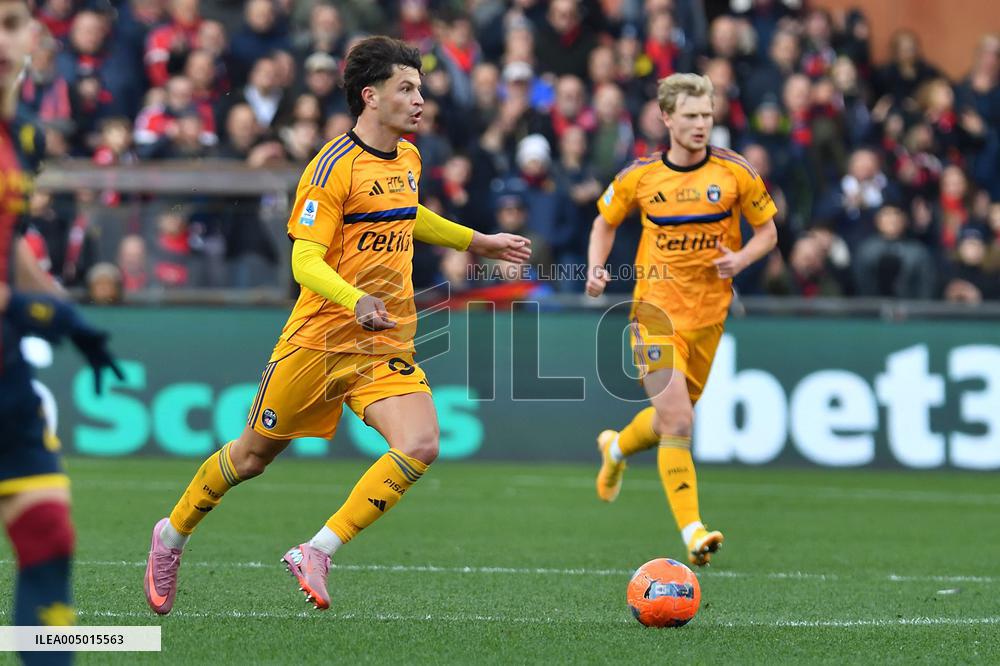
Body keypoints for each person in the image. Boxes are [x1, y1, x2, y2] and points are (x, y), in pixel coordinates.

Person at [143, 36, 530, 615]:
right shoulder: (330, 169)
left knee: (421, 443)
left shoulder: (409, 158)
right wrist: (354, 299)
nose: (420, 99)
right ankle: (170, 536)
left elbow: (409, 215)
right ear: (370, 98)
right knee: (250, 458)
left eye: (420, 89)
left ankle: (318, 550)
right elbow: (304, 261)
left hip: (381, 342)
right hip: (320, 341)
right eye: (407, 89)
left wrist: (479, 240)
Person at [586, 73, 777, 566]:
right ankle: (693, 531)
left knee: (671, 418)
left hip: (709, 316)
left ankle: (616, 449)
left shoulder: (735, 172)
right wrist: (596, 266)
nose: (700, 124)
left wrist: (741, 260)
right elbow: (604, 220)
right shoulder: (642, 176)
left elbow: (767, 233)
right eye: (690, 115)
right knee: (678, 420)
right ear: (666, 117)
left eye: (707, 115)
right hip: (654, 312)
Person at [0, 3, 122, 662]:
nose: (0, 36)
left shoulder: (22, 138)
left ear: (32, 41)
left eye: (11, 21)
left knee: (48, 531)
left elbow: (11, 243)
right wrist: (48, 316)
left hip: (4, 371)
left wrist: (59, 304)